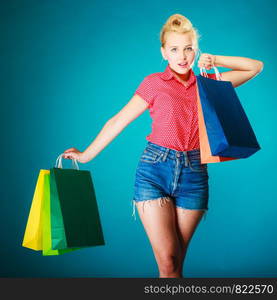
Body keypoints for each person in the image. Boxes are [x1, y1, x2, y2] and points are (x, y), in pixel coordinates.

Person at [62, 14, 263, 278]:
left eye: (189, 48)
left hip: (194, 174)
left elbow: (255, 67)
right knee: (168, 261)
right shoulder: (154, 83)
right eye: (175, 49)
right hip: (154, 170)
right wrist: (86, 155)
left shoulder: (208, 84)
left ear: (196, 50)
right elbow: (117, 121)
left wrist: (216, 61)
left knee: (175, 265)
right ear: (164, 53)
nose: (182, 56)